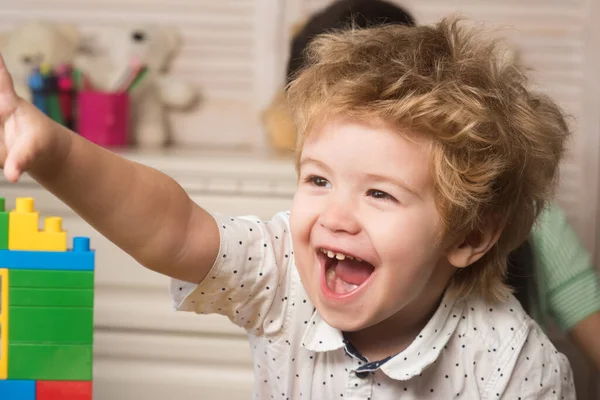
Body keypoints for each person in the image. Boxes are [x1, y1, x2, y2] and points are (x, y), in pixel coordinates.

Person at [0, 18, 575, 399]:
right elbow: (170, 229)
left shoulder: (517, 366)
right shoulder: (283, 275)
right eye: (319, 179)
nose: (337, 216)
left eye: (379, 193)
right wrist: (51, 147)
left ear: (469, 236)